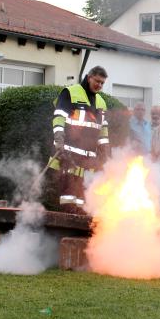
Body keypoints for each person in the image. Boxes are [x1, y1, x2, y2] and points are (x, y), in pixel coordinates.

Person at [46, 66, 110, 213]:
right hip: (68, 155)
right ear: (89, 78)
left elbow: (103, 130)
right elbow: (59, 117)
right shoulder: (70, 92)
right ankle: (66, 228)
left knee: (83, 199)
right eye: (97, 81)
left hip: (88, 161)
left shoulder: (101, 102)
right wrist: (59, 138)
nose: (99, 85)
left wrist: (106, 152)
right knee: (68, 198)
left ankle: (78, 229)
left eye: (102, 83)